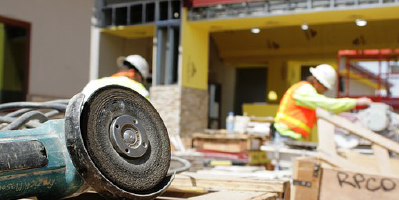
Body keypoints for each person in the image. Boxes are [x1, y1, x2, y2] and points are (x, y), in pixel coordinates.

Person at [273, 64, 372, 143]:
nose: (325, 91)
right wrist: (355, 102)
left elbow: (321, 115)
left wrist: (341, 117)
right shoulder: (303, 90)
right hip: (285, 135)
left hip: (292, 136)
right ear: (316, 81)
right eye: (324, 87)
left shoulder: (310, 95)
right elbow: (326, 104)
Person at [82, 54, 150, 99]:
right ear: (133, 73)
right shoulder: (139, 89)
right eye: (141, 80)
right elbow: (149, 117)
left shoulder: (94, 83)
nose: (140, 82)